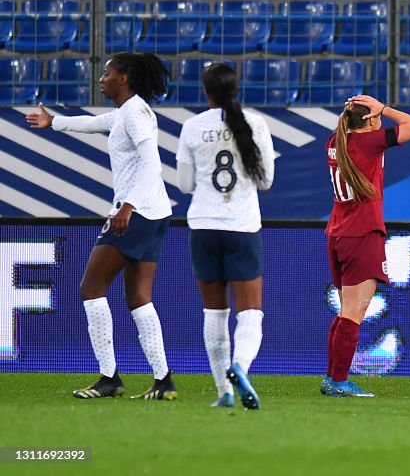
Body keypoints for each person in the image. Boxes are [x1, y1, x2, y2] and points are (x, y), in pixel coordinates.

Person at [26, 53, 176, 400]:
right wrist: (56, 122)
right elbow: (96, 123)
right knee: (139, 298)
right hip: (156, 212)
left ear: (123, 78)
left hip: (137, 212)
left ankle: (109, 378)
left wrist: (127, 206)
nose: (101, 79)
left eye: (106, 74)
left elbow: (153, 166)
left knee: (91, 288)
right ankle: (163, 380)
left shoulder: (135, 114)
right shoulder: (129, 111)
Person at [176, 63, 276, 409]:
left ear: (206, 92)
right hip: (242, 226)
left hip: (203, 225)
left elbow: (185, 185)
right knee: (250, 312)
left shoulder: (192, 127)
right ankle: (241, 367)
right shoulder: (256, 123)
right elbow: (266, 182)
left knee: (214, 312)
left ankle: (225, 392)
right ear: (236, 88)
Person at [322, 94, 410, 398]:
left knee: (346, 311)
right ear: (369, 119)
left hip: (339, 234)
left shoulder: (335, 141)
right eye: (376, 114)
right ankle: (338, 380)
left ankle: (333, 377)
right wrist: (386, 109)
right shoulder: (369, 143)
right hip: (362, 233)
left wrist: (369, 112)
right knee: (355, 310)